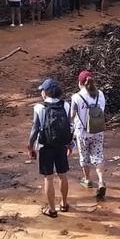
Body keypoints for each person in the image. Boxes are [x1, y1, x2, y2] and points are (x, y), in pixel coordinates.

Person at [27, 78, 74, 218]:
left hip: (45, 146)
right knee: (63, 175)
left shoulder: (39, 108)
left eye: (42, 90)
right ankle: (64, 204)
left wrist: (30, 146)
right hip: (61, 145)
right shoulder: (66, 105)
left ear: (46, 92)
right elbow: (68, 126)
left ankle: (52, 210)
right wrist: (70, 143)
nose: (41, 92)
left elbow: (34, 130)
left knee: (48, 178)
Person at [70, 70, 107, 200]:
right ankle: (101, 181)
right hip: (98, 130)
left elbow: (72, 115)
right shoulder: (100, 94)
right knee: (98, 155)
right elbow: (102, 109)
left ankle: (87, 180)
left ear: (80, 82)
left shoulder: (76, 97)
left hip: (82, 132)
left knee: (84, 156)